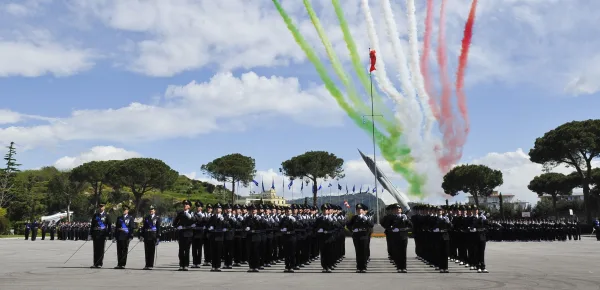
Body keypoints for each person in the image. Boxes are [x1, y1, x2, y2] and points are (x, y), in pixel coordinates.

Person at [382, 203, 412, 273]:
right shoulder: (391, 217)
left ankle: (404, 267)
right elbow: (386, 225)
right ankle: (399, 267)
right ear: (393, 211)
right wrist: (391, 229)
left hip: (403, 236)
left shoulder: (405, 217)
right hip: (395, 236)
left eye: (399, 209)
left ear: (401, 210)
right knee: (397, 252)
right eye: (396, 209)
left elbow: (411, 226)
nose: (397, 210)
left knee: (403, 253)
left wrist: (406, 220)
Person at [347, 203, 374, 273]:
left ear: (363, 210)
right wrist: (352, 230)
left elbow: (371, 225)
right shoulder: (354, 217)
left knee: (364, 252)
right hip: (356, 236)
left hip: (364, 235)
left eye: (360, 209)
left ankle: (364, 267)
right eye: (358, 209)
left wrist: (367, 219)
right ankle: (359, 267)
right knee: (358, 252)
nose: (359, 211)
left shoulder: (366, 217)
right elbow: (348, 225)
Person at [173, 200, 195, 271]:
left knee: (187, 249)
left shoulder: (192, 213)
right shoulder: (180, 213)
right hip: (181, 233)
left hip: (188, 234)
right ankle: (181, 264)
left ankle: (186, 264)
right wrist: (177, 226)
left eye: (186, 204)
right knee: (181, 250)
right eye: (184, 204)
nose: (185, 205)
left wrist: (191, 218)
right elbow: (175, 223)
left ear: (189, 206)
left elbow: (195, 222)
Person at [90, 203, 112, 268]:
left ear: (104, 207)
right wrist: (90, 234)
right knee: (95, 249)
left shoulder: (107, 215)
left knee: (101, 249)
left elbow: (109, 226)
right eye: (100, 207)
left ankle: (99, 263)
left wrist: (108, 234)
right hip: (96, 234)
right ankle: (95, 263)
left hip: (102, 234)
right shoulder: (95, 215)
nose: (101, 208)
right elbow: (92, 225)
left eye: (102, 206)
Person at [114, 205, 135, 269]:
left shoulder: (130, 218)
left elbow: (131, 228)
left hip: (126, 236)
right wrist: (115, 236)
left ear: (127, 211)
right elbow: (116, 227)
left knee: (124, 250)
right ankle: (119, 264)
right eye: (123, 210)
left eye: (125, 210)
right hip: (119, 236)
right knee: (119, 250)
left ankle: (123, 264)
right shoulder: (119, 218)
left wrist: (131, 235)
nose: (124, 211)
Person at [141, 205, 161, 270]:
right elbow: (144, 227)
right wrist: (142, 235)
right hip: (147, 235)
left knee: (152, 251)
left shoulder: (157, 218)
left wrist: (158, 237)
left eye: (152, 210)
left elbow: (158, 228)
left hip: (153, 236)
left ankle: (150, 265)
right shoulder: (146, 218)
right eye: (150, 210)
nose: (151, 211)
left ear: (154, 211)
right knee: (146, 251)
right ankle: (147, 264)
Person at [279, 206, 297, 273]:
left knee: (292, 252)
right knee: (286, 253)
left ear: (291, 211)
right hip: (285, 237)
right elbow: (279, 226)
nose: (287, 212)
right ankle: (287, 266)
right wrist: (282, 229)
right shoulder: (283, 219)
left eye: (289, 211)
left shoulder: (295, 218)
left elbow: (299, 226)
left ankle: (292, 266)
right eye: (286, 211)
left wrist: (295, 222)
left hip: (292, 237)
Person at [191, 201, 207, 268]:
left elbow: (206, 223)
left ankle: (198, 263)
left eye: (199, 206)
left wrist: (204, 218)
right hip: (194, 233)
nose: (198, 208)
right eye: (197, 206)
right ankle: (194, 262)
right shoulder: (193, 214)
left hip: (200, 233)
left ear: (201, 208)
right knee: (194, 249)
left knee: (199, 249)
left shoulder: (204, 214)